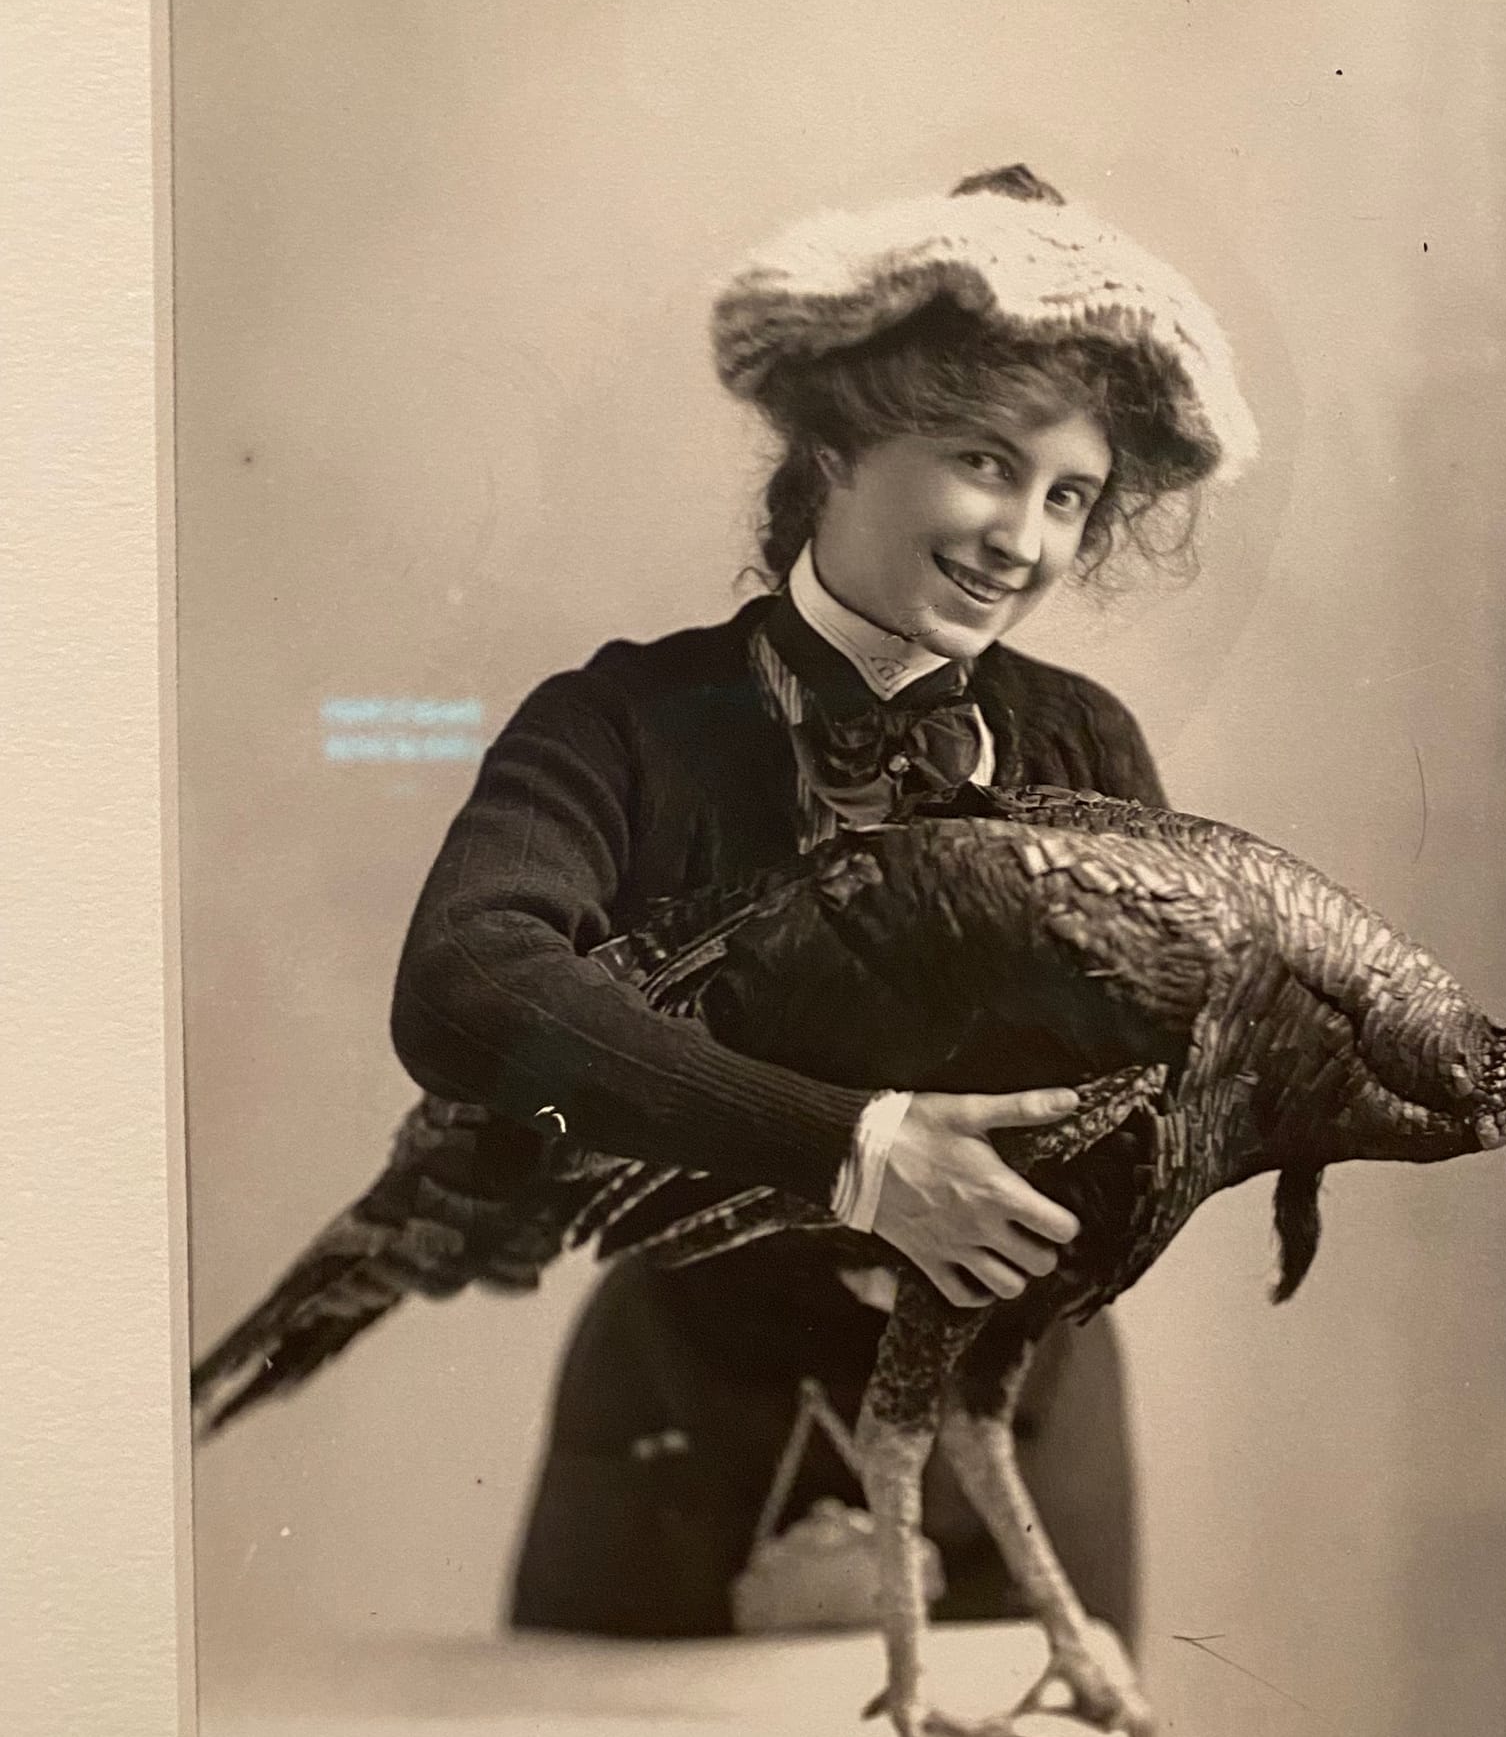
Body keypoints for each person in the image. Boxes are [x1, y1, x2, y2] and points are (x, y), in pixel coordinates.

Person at [388, 163, 1258, 1645]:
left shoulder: (1087, 745)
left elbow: (1158, 1087)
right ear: (838, 438)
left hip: (1018, 1442)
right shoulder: (623, 722)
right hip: (691, 1429)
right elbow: (468, 978)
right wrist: (846, 1150)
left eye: (1071, 496)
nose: (1024, 540)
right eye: (984, 460)